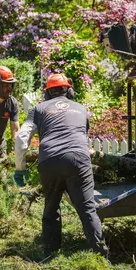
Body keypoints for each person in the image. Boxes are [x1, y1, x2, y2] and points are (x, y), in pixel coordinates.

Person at [14, 74, 109, 258]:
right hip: (78, 160)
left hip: (49, 161)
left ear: (47, 94)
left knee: (51, 207)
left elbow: (21, 138)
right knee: (87, 209)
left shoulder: (38, 109)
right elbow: (84, 140)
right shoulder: (81, 109)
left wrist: (20, 168)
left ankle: (50, 254)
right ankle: (100, 256)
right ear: (70, 91)